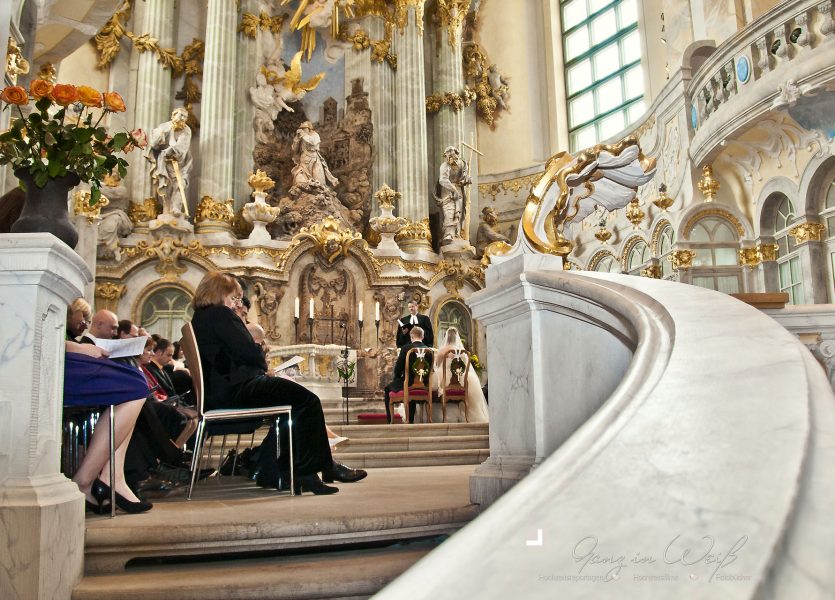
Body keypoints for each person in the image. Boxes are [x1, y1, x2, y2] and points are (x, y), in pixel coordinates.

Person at [190, 271, 366, 495]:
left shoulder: (202, 317)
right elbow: (252, 355)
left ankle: (287, 472)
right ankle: (313, 470)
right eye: (234, 297)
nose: (237, 303)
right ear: (219, 293)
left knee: (294, 407)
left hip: (223, 391)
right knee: (308, 401)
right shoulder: (221, 315)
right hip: (238, 391)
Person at [64, 299, 151, 514]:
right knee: (135, 384)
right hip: (57, 365)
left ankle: (112, 475)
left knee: (135, 383)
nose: (85, 322)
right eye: (82, 317)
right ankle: (91, 478)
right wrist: (78, 347)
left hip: (66, 357)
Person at [433, 327, 489, 423]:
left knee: (435, 382)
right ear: (457, 338)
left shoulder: (441, 352)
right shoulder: (463, 352)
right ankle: (466, 416)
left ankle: (443, 416)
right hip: (462, 381)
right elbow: (466, 368)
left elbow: (436, 366)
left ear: (445, 337)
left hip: (445, 380)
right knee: (472, 385)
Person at [148, 107, 193, 218]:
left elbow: (182, 146)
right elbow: (154, 144)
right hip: (164, 162)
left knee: (181, 183)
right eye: (180, 115)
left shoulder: (186, 130)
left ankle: (176, 208)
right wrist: (166, 132)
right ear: (173, 115)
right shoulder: (163, 127)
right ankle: (167, 210)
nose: (182, 118)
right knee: (166, 186)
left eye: (185, 116)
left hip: (181, 163)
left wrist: (171, 150)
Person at [385, 326, 431, 424]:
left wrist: (396, 379)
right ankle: (411, 419)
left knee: (388, 388)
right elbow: (431, 369)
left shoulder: (406, 348)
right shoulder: (429, 350)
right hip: (425, 384)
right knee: (409, 387)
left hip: (408, 382)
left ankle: (390, 421)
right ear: (422, 337)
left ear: (411, 336)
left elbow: (398, 368)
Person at [435, 146, 471, 244]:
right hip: (447, 190)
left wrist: (466, 179)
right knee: (449, 211)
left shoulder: (462, 164)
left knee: (459, 212)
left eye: (451, 155)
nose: (449, 158)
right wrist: (453, 189)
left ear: (456, 154)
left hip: (458, 190)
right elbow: (442, 180)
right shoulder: (444, 166)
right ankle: (448, 234)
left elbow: (464, 176)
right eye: (447, 156)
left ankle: (457, 234)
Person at [291, 121, 338, 192]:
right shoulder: (301, 136)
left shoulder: (314, 135)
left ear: (309, 128)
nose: (303, 130)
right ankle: (305, 191)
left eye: (304, 128)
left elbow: (313, 142)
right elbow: (295, 149)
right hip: (304, 159)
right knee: (300, 177)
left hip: (314, 159)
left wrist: (303, 135)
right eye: (301, 129)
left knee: (318, 178)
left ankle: (320, 192)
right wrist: (297, 139)